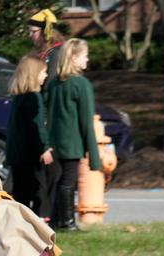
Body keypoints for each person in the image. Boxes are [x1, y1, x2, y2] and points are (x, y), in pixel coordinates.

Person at [47, 38, 100, 232]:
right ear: (74, 58)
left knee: (59, 180)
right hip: (72, 143)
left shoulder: (54, 84)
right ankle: (67, 222)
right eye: (85, 56)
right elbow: (86, 121)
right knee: (68, 181)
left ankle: (55, 219)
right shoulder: (81, 84)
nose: (88, 60)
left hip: (54, 143)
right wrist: (94, 155)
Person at [6, 55, 53, 220]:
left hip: (16, 154)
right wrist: (44, 147)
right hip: (31, 153)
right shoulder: (34, 97)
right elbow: (37, 125)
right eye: (43, 72)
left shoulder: (18, 97)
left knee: (21, 192)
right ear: (34, 74)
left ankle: (20, 221)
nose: (46, 76)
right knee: (39, 188)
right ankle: (41, 219)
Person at [27, 8, 64, 94]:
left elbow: (49, 86)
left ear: (45, 32)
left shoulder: (56, 54)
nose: (30, 35)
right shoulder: (40, 52)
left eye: (33, 32)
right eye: (29, 32)